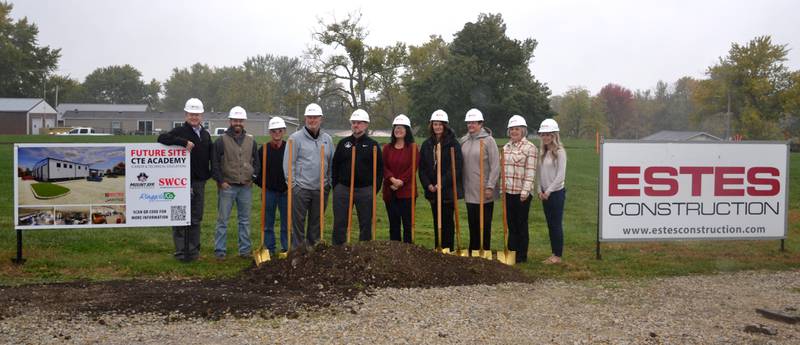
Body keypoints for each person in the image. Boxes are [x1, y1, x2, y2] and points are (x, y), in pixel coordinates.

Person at [157, 98, 212, 262]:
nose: (194, 117)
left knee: (196, 217)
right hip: (181, 182)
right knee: (179, 216)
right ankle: (181, 252)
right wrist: (182, 142)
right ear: (186, 115)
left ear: (201, 115)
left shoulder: (205, 134)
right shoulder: (180, 131)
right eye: (191, 114)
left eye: (197, 114)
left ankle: (193, 252)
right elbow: (161, 138)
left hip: (199, 182)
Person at [211, 106, 260, 260]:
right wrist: (220, 181)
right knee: (222, 221)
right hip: (227, 186)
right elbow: (215, 164)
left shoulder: (251, 141)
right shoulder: (221, 141)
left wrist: (252, 178)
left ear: (243, 122)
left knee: (244, 220)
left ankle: (245, 251)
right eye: (235, 120)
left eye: (240, 120)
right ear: (230, 121)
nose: (237, 123)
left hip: (245, 187)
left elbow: (257, 163)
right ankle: (220, 251)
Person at [283, 103, 334, 250]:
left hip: (320, 188)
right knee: (298, 222)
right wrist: (293, 185)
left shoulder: (327, 139)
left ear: (321, 119)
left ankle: (313, 250)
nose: (312, 120)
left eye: (315, 117)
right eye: (309, 117)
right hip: (301, 188)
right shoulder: (295, 138)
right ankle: (298, 251)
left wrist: (328, 184)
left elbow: (331, 163)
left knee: (316, 222)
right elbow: (288, 164)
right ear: (305, 118)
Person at [331, 109, 383, 245]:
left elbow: (379, 170)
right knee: (340, 222)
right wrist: (336, 186)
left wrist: (373, 189)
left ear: (366, 125)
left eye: (359, 123)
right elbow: (335, 166)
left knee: (365, 223)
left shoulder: (373, 145)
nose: (356, 125)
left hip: (365, 190)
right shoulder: (343, 143)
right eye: (354, 122)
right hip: (343, 189)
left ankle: (363, 251)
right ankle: (338, 251)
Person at [419, 109, 463, 251]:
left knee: (447, 222)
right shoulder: (427, 144)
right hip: (432, 190)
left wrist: (441, 183)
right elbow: (422, 168)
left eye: (440, 124)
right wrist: (428, 185)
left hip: (447, 191)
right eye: (435, 124)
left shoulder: (453, 144)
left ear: (445, 126)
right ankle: (438, 248)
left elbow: (455, 168)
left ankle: (448, 249)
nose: (437, 127)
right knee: (436, 220)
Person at [460, 108, 499, 252]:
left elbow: (495, 165)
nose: (471, 125)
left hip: (484, 191)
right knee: (473, 223)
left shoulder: (489, 141)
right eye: (469, 122)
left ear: (481, 123)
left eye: (474, 122)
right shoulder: (464, 140)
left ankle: (485, 250)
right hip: (469, 190)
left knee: (485, 224)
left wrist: (490, 186)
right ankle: (474, 249)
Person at [502, 115, 537, 263]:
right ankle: (512, 252)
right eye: (511, 129)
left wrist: (525, 191)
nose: (514, 132)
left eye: (517, 129)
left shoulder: (530, 148)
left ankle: (522, 256)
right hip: (508, 192)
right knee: (511, 224)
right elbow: (503, 172)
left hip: (521, 193)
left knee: (521, 224)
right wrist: (502, 190)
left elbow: (530, 172)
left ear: (523, 131)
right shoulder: (506, 147)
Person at [255, 117, 288, 255]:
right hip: (269, 192)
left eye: (279, 130)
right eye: (274, 131)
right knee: (268, 223)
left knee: (286, 223)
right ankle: (269, 248)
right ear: (270, 132)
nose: (276, 133)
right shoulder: (264, 149)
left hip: (286, 192)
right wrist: (264, 185)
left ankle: (286, 247)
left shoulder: (289, 148)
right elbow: (256, 171)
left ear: (284, 131)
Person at [382, 114, 417, 243]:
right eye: (396, 127)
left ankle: (408, 253)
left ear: (407, 130)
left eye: (401, 127)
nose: (398, 130)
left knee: (407, 224)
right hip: (390, 191)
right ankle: (395, 254)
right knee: (394, 224)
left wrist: (401, 181)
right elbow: (383, 166)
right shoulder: (387, 148)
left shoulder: (412, 148)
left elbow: (413, 167)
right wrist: (392, 179)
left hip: (407, 192)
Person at [537, 118, 567, 265]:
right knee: (550, 224)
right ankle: (553, 253)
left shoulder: (560, 152)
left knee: (556, 224)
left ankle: (557, 255)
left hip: (555, 194)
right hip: (544, 194)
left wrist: (548, 191)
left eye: (548, 134)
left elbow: (560, 175)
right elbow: (539, 173)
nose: (545, 137)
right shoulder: (543, 152)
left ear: (554, 135)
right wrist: (539, 189)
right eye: (543, 134)